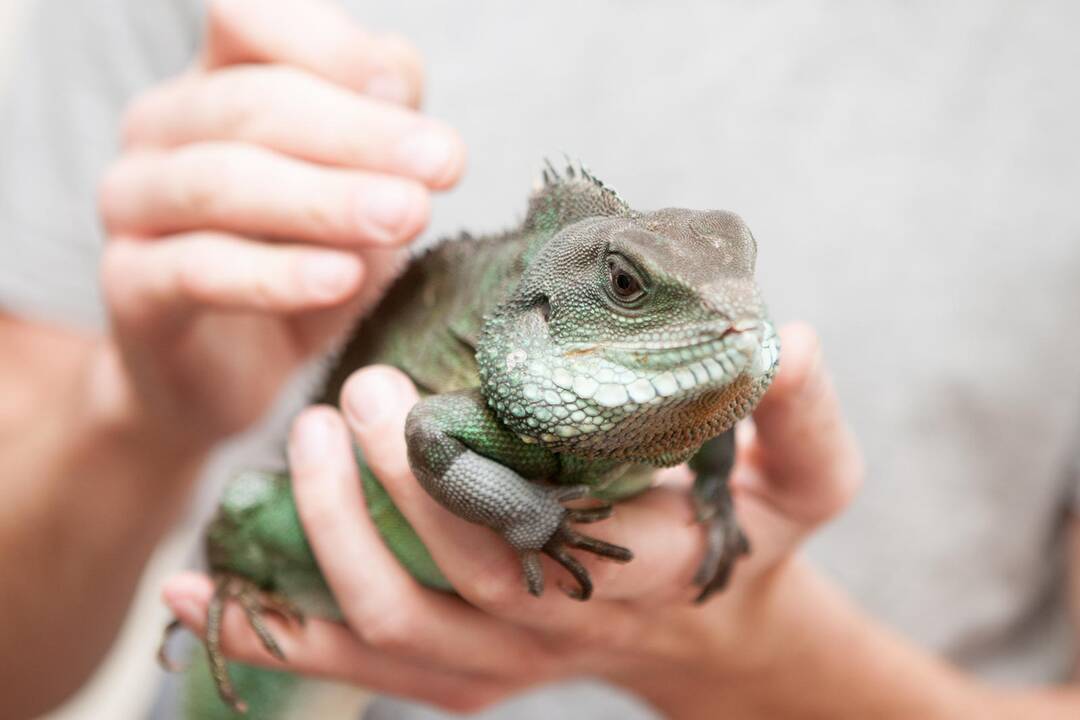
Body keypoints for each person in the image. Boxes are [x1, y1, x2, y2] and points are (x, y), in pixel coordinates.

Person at [2, 0, 1079, 718]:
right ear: (551, 314)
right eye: (624, 290)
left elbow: (720, 415)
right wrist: (133, 412)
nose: (730, 323)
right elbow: (433, 427)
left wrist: (762, 659)